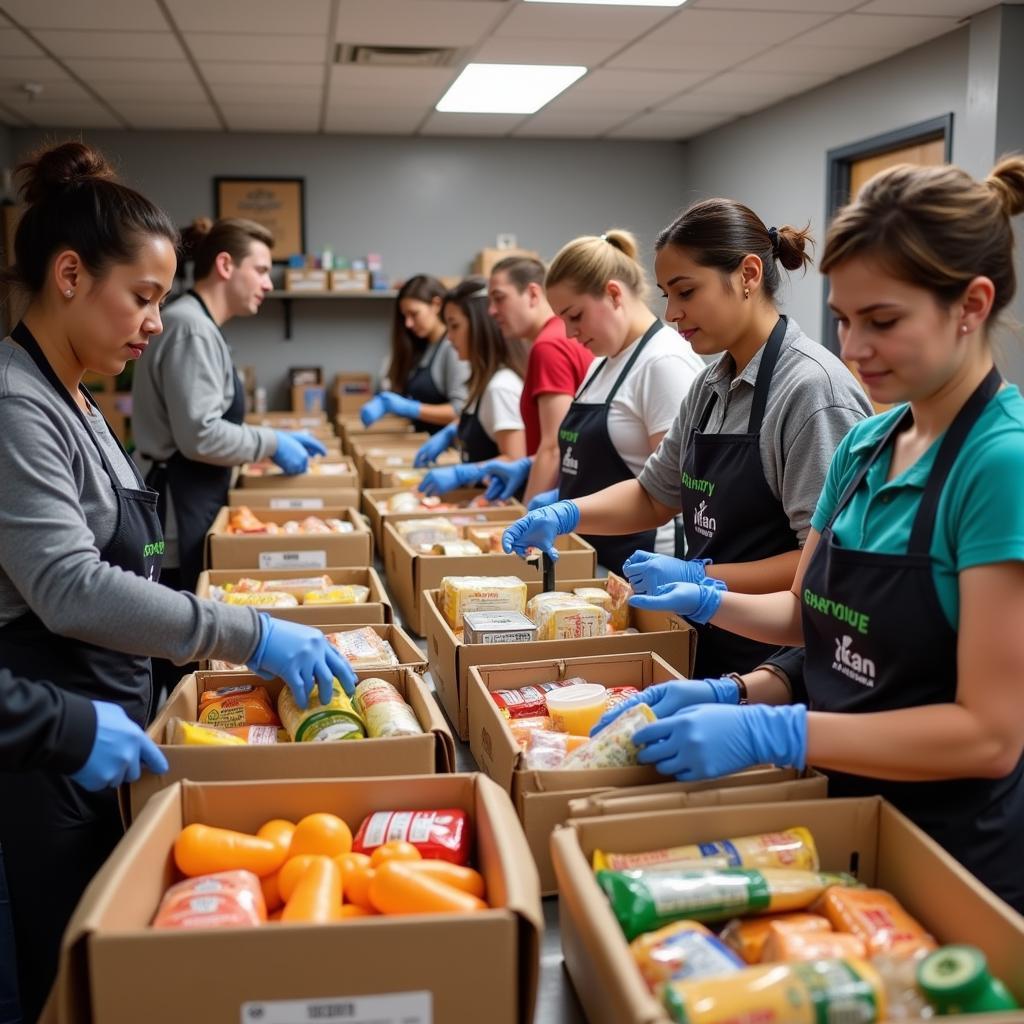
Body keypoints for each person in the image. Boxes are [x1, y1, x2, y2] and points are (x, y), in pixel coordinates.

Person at [600, 158, 1024, 913]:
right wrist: (713, 632)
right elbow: (805, 617)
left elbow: (988, 735)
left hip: (951, 848)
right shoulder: (866, 447)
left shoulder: (1000, 466)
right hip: (839, 808)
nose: (855, 348)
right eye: (844, 319)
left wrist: (777, 732)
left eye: (883, 321)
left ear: (972, 305)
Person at [0, 141, 355, 1019]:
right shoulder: (16, 403)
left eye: (161, 301)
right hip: (52, 729)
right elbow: (71, 585)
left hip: (105, 703)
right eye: (144, 297)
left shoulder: (78, 393)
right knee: (63, 970)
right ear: (71, 274)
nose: (156, 323)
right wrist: (248, 633)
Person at [502, 200, 872, 677]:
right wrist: (570, 513)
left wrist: (702, 577)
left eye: (686, 292)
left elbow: (820, 564)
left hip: (783, 664)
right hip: (715, 640)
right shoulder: (710, 385)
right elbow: (654, 494)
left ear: (749, 274)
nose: (672, 313)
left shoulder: (810, 390)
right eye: (666, 295)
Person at [132, 218, 327, 596]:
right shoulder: (191, 328)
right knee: (181, 633)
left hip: (195, 493)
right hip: (177, 508)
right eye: (261, 270)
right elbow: (200, 436)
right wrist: (270, 442)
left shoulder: (200, 324)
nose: (268, 284)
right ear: (225, 265)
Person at [506, 229, 705, 574]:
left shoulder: (663, 363)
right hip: (595, 552)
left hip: (643, 563)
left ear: (613, 294)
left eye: (575, 316)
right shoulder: (601, 364)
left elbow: (675, 490)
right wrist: (561, 493)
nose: (569, 333)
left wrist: (569, 508)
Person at [484, 255, 593, 503]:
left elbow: (555, 447)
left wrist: (525, 521)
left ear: (533, 293)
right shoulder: (562, 337)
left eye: (499, 298)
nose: (492, 311)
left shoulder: (549, 346)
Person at [415, 277, 529, 496]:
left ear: (480, 326)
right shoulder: (483, 380)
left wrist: (462, 473)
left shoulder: (500, 387)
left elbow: (515, 459)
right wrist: (453, 431)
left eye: (455, 326)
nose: (449, 337)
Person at [360, 274, 469, 434]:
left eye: (414, 314)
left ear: (436, 305)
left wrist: (411, 408)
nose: (408, 323)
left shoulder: (451, 348)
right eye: (405, 316)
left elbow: (459, 410)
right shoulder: (422, 345)